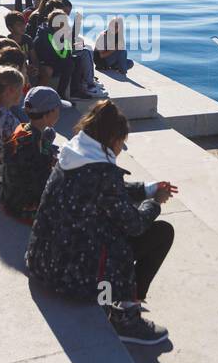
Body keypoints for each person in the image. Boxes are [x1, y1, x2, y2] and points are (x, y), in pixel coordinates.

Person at [26, 99, 178, 345]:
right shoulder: (102, 174)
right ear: (114, 140)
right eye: (122, 142)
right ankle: (127, 317)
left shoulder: (73, 153)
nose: (122, 148)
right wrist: (156, 202)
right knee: (157, 233)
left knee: (111, 219)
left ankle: (125, 305)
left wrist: (147, 189)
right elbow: (135, 224)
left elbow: (108, 190)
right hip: (72, 279)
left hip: (42, 263)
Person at [0, 86, 61, 222]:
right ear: (46, 115)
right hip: (23, 208)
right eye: (58, 109)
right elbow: (43, 182)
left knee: (49, 134)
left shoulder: (23, 129)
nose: (60, 113)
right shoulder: (32, 145)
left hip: (9, 199)